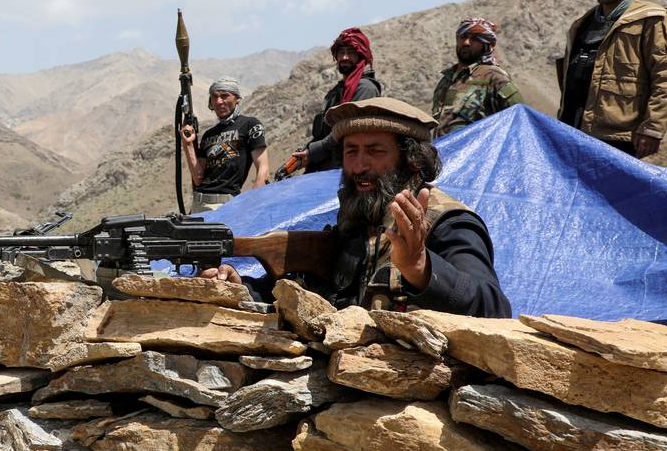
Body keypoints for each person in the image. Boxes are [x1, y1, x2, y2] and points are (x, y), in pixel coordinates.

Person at [201, 97, 511, 318]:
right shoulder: (356, 218)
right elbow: (304, 290)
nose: (359, 165)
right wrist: (242, 286)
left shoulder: (448, 222)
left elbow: (493, 309)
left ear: (412, 159)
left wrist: (421, 268)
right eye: (351, 151)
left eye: (375, 151)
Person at [557, 0, 667, 158]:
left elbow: (666, 77)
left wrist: (652, 128)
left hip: (619, 136)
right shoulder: (582, 23)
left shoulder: (650, 19)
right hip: (572, 129)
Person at [279, 28, 383, 177]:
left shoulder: (366, 89)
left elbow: (348, 128)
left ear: (361, 55)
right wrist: (304, 155)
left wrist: (313, 152)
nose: (345, 57)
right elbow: (324, 134)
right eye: (341, 52)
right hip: (327, 170)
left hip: (350, 171)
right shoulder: (336, 92)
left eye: (351, 52)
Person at [180, 77, 269, 213]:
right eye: (214, 97)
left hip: (226, 206)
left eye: (224, 96)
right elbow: (198, 178)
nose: (218, 101)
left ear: (237, 98)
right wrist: (188, 145)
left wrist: (253, 202)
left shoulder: (250, 125)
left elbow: (263, 168)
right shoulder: (208, 134)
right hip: (198, 204)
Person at [431, 18, 524, 136]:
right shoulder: (446, 80)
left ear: (488, 44)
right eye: (463, 37)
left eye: (474, 39)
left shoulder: (495, 77)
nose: (466, 43)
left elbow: (520, 118)